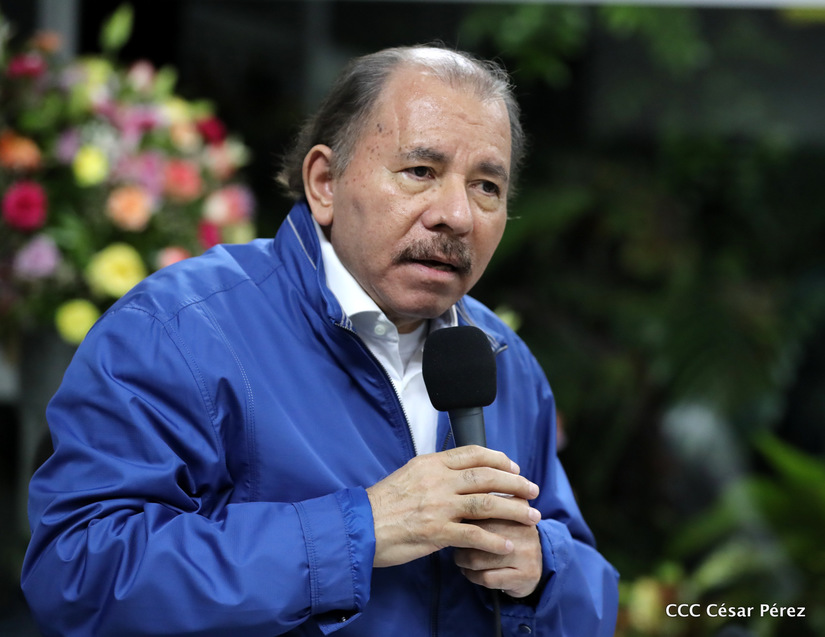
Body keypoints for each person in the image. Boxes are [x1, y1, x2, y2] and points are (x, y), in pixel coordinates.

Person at [22, 45, 619, 636]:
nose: (457, 215)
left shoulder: (503, 359)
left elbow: (592, 592)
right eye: (421, 172)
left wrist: (542, 569)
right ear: (325, 182)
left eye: (487, 186)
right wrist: (360, 529)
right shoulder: (178, 328)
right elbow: (80, 571)